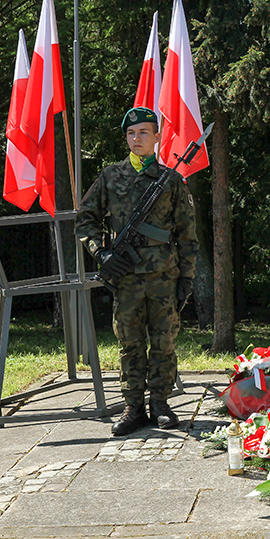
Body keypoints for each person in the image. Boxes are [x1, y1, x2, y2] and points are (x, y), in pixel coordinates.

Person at [76, 107, 198, 436]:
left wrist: (186, 278)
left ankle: (160, 403)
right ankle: (133, 407)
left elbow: (187, 236)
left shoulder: (171, 180)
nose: (136, 138)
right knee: (129, 343)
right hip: (126, 276)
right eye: (131, 133)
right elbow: (85, 221)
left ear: (157, 136)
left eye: (144, 132)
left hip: (163, 276)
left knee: (163, 342)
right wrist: (100, 253)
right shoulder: (110, 176)